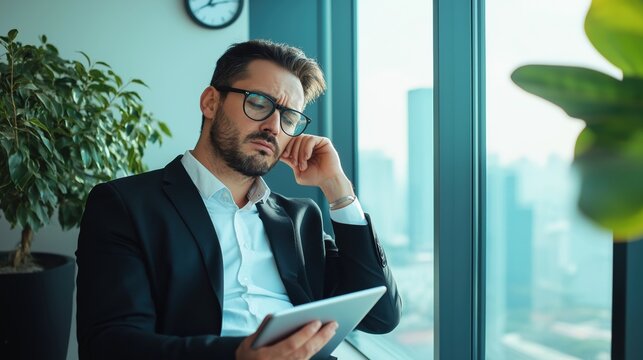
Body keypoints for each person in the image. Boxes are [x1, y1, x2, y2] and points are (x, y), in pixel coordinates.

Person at [76, 39, 401, 360]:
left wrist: (338, 189)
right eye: (259, 103)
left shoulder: (300, 218)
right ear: (210, 103)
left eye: (288, 118)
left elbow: (380, 316)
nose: (274, 127)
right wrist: (239, 356)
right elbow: (111, 345)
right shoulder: (125, 205)